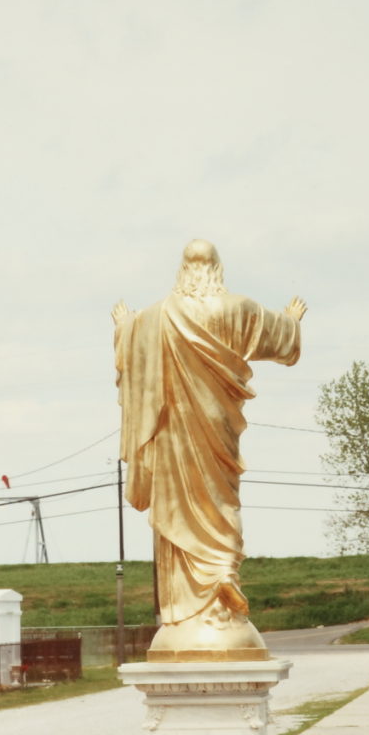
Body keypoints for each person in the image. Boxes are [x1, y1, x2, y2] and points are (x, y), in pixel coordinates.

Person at [112, 239, 306, 659]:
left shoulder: (154, 318)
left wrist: (124, 325)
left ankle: (187, 611)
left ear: (184, 269)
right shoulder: (238, 308)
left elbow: (130, 343)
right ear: (217, 268)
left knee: (180, 505)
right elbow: (282, 339)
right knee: (220, 500)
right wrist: (292, 320)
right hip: (218, 430)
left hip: (175, 438)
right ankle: (223, 575)